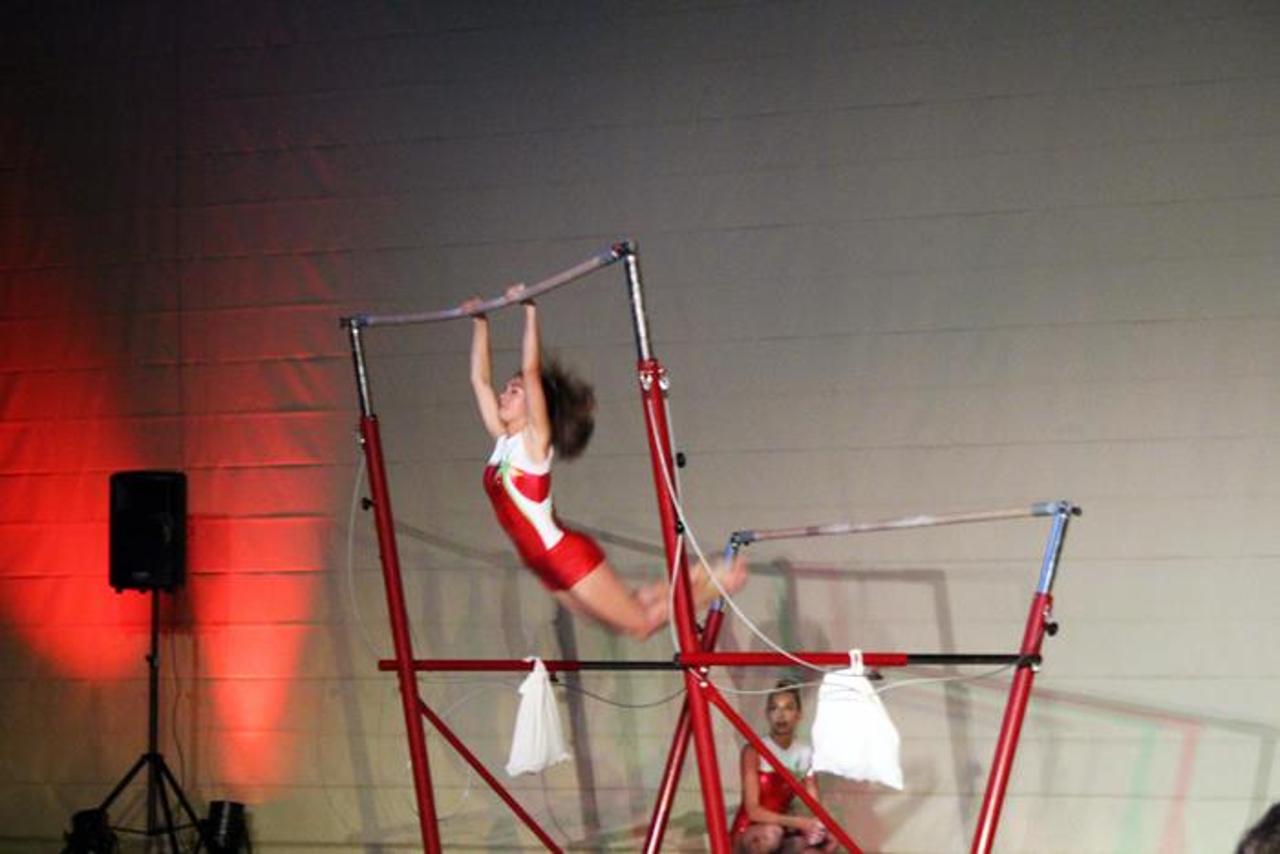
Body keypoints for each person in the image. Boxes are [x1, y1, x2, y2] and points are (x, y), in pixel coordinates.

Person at [464, 284, 747, 639]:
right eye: (506, 389)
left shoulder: (534, 445)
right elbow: (479, 380)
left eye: (514, 391)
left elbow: (532, 372)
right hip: (539, 562)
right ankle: (698, 578)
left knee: (640, 625)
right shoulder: (503, 441)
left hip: (563, 555)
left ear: (535, 406)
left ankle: (717, 583)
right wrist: (479, 321)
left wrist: (529, 309)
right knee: (630, 615)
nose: (503, 395)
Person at [731, 680, 837, 853]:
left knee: (824, 843)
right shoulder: (754, 750)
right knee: (772, 834)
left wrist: (823, 829)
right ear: (767, 714)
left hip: (782, 829)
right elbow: (753, 811)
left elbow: (815, 805)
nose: (781, 715)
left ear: (799, 714)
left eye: (788, 708)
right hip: (750, 830)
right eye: (774, 708)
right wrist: (799, 822)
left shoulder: (805, 752)